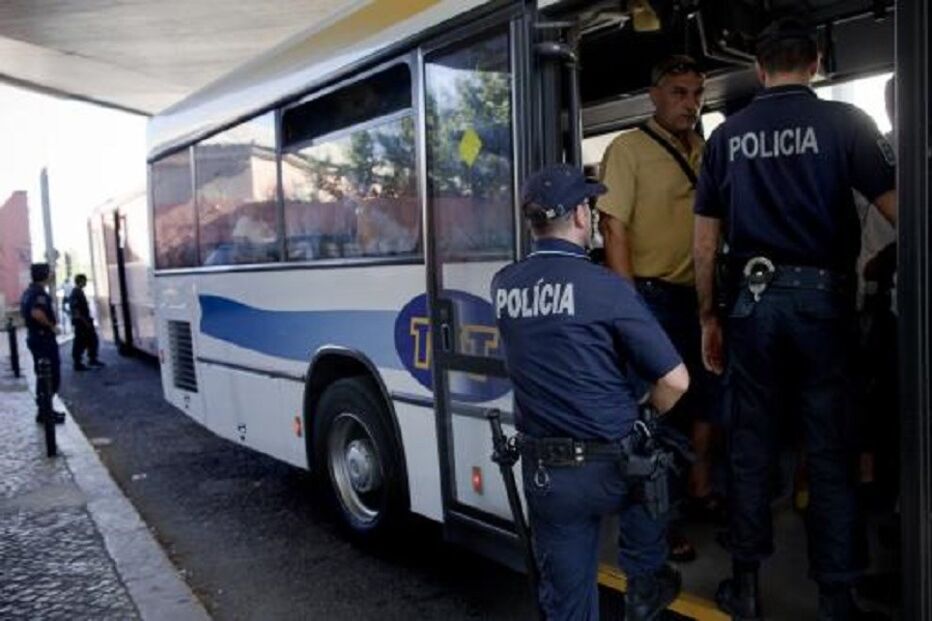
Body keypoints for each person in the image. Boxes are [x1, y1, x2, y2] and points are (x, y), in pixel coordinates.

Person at [693, 17, 896, 620]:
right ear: (816, 63)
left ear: (759, 70)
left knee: (750, 446)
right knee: (831, 448)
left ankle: (745, 586)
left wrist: (709, 316)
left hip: (751, 305)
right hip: (824, 304)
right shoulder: (847, 123)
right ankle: (837, 596)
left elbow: (704, 244)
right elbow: (901, 210)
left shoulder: (726, 138)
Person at [492, 164, 690, 620]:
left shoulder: (504, 284)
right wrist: (646, 411)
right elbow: (676, 380)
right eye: (590, 207)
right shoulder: (605, 288)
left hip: (548, 474)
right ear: (581, 215)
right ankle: (643, 586)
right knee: (655, 471)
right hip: (614, 468)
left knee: (567, 603)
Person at [598, 54, 720, 563]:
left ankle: (698, 489)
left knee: (708, 400)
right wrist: (631, 312)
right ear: (654, 95)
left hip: (702, 299)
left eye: (697, 94)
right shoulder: (628, 149)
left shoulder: (706, 151)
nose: (690, 103)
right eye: (678, 92)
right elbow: (613, 228)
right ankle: (661, 522)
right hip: (653, 298)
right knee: (659, 416)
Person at [20, 263, 65, 424]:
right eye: (50, 272)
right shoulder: (38, 293)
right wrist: (51, 326)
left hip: (36, 337)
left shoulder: (28, 292)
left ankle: (45, 411)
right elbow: (36, 313)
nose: (52, 275)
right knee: (50, 375)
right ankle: (45, 412)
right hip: (43, 338)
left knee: (43, 375)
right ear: (44, 275)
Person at [69, 274, 104, 370]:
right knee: (80, 342)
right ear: (80, 281)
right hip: (81, 323)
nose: (85, 283)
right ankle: (78, 362)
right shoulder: (76, 293)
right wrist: (85, 322)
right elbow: (76, 311)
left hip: (84, 321)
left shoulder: (79, 292)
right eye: (84, 281)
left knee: (92, 340)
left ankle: (92, 359)